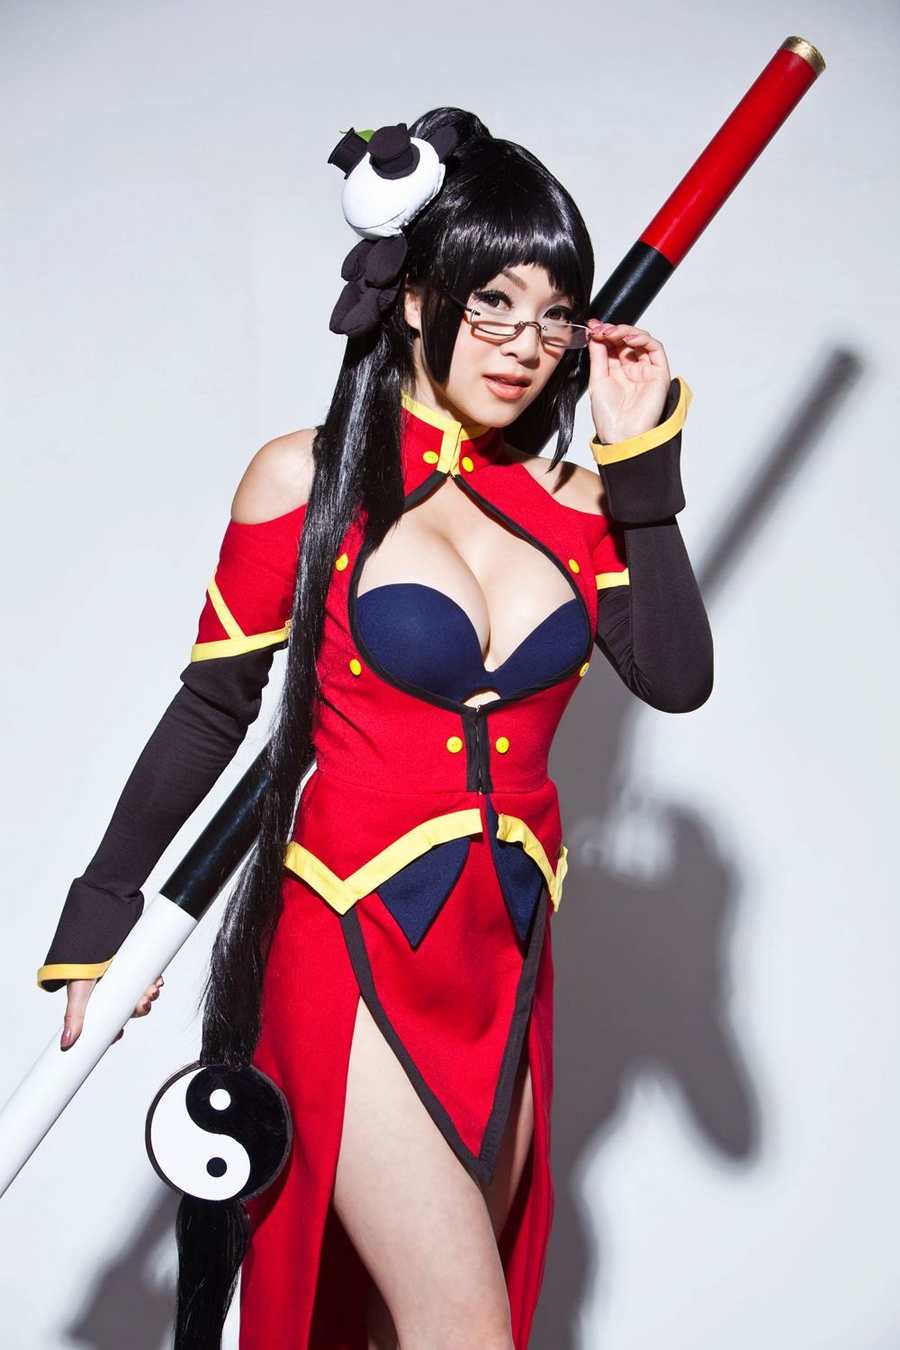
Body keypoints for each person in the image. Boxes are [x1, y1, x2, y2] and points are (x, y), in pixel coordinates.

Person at [36, 106, 713, 1349]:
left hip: (503, 958)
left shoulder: (582, 500)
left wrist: (643, 471)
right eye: (492, 302)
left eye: (555, 314)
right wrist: (101, 920)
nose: (524, 345)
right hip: (349, 941)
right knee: (465, 1329)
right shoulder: (309, 477)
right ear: (412, 298)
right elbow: (213, 707)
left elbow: (675, 677)